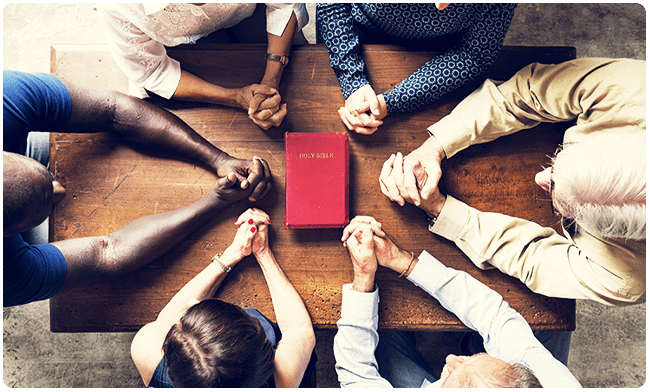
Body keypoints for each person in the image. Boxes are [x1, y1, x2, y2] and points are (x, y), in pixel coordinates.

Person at [379, 58, 646, 307]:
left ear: (613, 235)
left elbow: (531, 258)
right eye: (558, 159)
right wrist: (436, 146)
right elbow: (528, 93)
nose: (539, 177)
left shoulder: (627, 280)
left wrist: (439, 208)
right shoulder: (634, 87)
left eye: (552, 191)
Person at [3, 70, 272, 307]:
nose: (62, 189)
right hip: (14, 254)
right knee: (52, 251)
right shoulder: (8, 277)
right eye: (50, 199)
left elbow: (114, 109)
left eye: (50, 183)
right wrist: (214, 202)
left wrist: (218, 159)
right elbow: (106, 253)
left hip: (13, 136)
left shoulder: (7, 97)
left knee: (47, 139)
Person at [336, 216, 581, 388]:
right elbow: (494, 316)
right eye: (472, 359)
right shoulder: (551, 379)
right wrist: (401, 260)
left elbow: (356, 375)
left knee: (382, 329)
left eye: (459, 366)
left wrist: (364, 276)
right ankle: (476, 346)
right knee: (551, 305)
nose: (450, 358)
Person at [130, 208, 316, 388]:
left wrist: (233, 253)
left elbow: (168, 318)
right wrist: (263, 252)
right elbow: (298, 330)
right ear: (265, 358)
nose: (191, 302)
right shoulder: (282, 380)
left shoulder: (145, 351)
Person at [97, 3, 309, 130]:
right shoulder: (118, 7)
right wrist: (235, 97)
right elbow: (153, 71)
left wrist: (271, 79)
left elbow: (284, 6)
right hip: (184, 46)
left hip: (252, 13)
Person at [316, 3, 517, 135]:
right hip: (357, 30)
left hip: (444, 47)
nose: (440, 6)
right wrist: (352, 79)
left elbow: (475, 52)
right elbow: (331, 5)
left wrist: (390, 102)